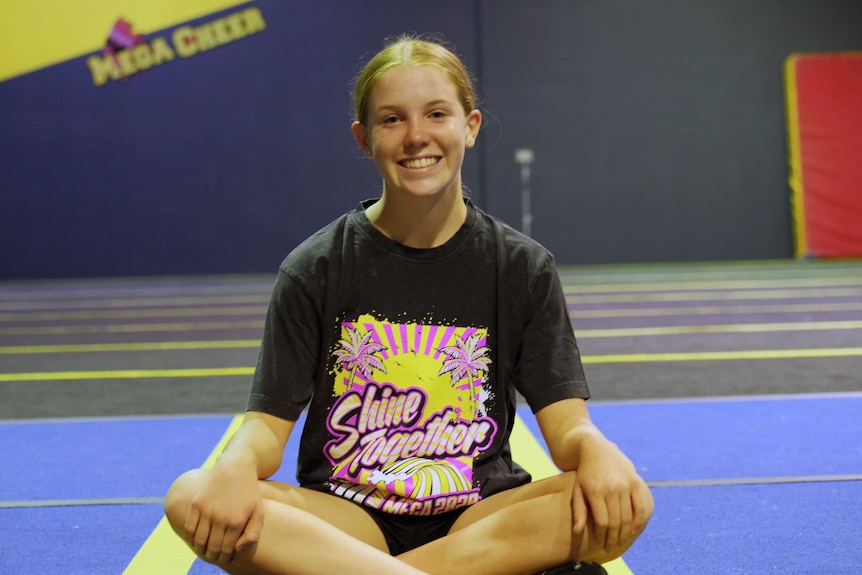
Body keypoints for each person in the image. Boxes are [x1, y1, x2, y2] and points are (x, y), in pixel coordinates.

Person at [164, 33, 653, 575]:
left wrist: (598, 450)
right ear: (363, 138)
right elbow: (265, 428)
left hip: (479, 517)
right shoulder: (315, 268)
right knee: (191, 495)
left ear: (470, 126)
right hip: (348, 522)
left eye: (436, 114)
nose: (416, 136)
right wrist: (234, 466)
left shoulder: (521, 268)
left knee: (622, 500)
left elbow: (568, 430)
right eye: (392, 119)